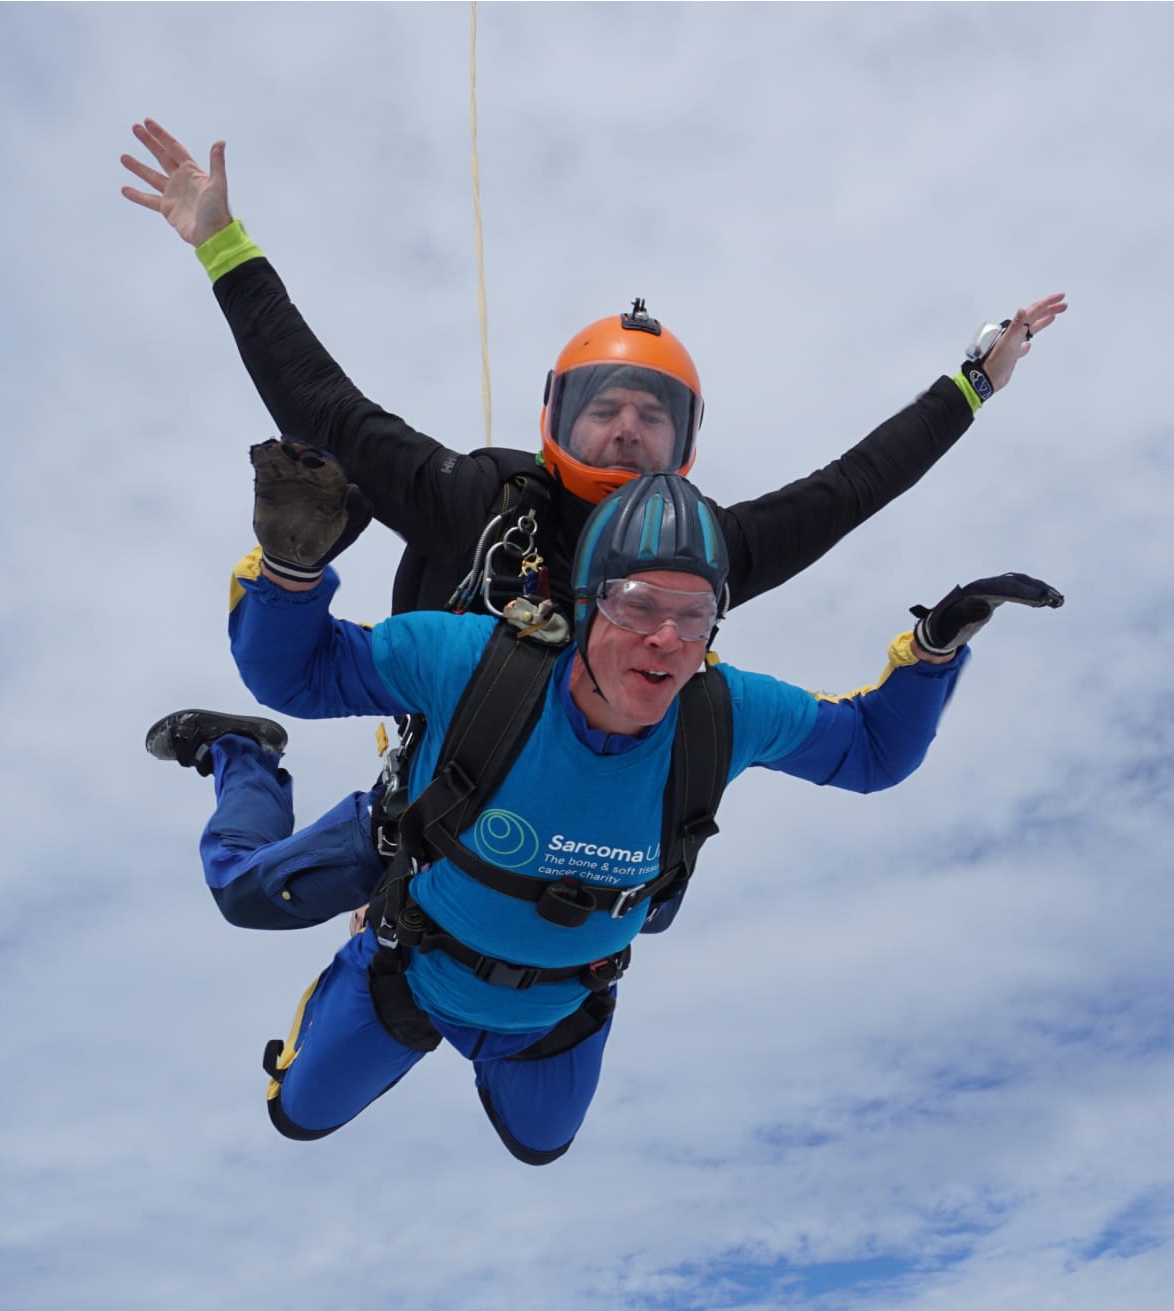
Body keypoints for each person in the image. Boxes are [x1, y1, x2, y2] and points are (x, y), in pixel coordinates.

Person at [122, 118, 1067, 929]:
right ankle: (244, 756)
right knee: (250, 897)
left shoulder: (707, 553)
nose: (625, 428)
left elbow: (854, 487)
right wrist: (222, 247)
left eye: (653, 414)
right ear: (555, 419)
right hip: (437, 794)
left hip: (573, 838)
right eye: (604, 407)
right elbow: (324, 407)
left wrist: (973, 382)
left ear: (685, 442)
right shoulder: (481, 498)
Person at [147, 471, 1063, 1164]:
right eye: (637, 605)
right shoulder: (474, 660)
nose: (666, 638)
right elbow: (300, 675)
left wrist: (935, 650)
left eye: (694, 614)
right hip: (408, 974)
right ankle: (243, 760)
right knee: (296, 1113)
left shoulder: (724, 710)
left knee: (541, 1147)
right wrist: (291, 568)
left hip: (558, 1012)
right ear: (586, 605)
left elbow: (870, 752)